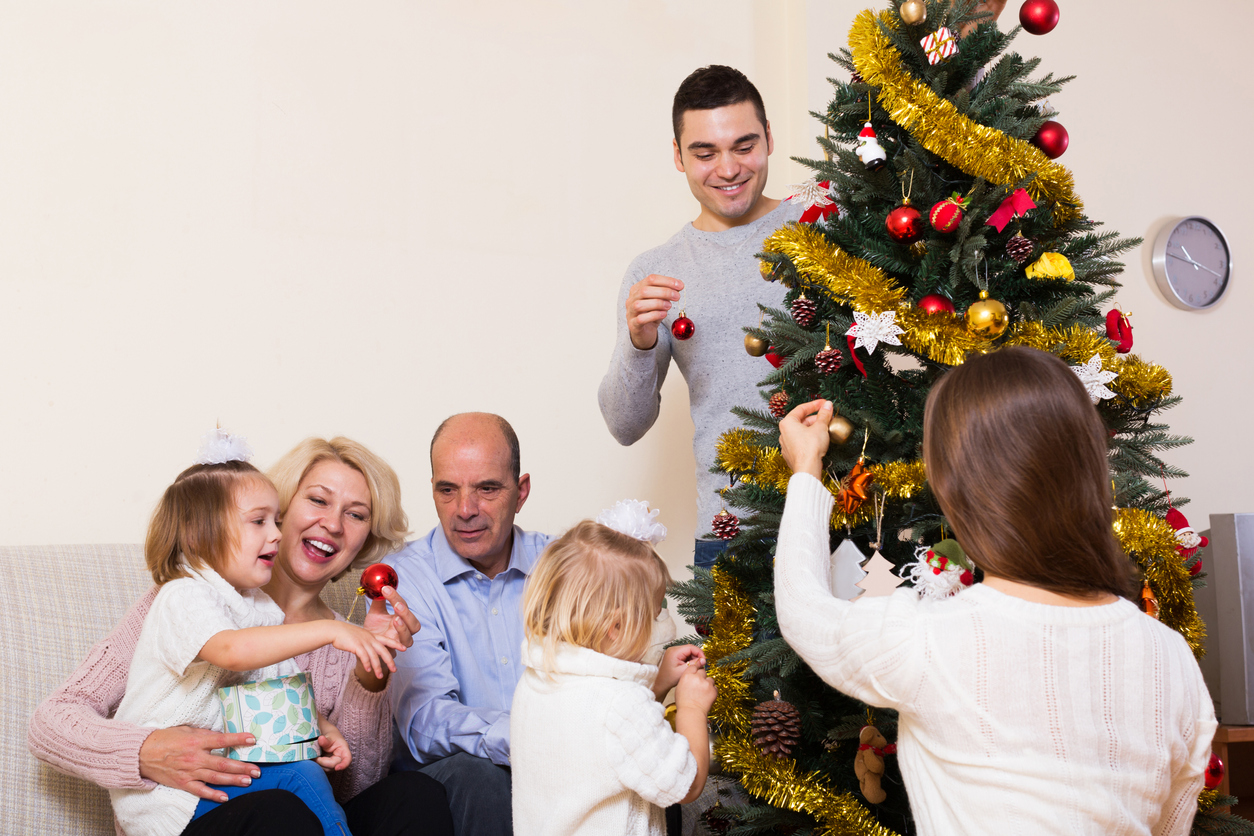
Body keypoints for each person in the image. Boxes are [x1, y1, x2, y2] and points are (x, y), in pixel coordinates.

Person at [772, 347, 1216, 835]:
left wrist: (806, 472)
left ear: (953, 487)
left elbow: (804, 611)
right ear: (1090, 468)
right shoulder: (1172, 657)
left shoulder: (928, 639)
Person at [30, 436, 454, 836]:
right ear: (281, 509)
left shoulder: (338, 638)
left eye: (356, 514)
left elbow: (351, 788)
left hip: (294, 809)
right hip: (193, 813)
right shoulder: (185, 599)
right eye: (318, 500)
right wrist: (146, 750)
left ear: (366, 539)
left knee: (416, 793)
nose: (333, 524)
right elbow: (52, 721)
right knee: (280, 810)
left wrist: (371, 670)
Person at [109, 436, 402, 836]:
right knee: (286, 798)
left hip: (232, 783)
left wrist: (323, 728)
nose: (276, 533)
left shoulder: (259, 608)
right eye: (260, 522)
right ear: (200, 536)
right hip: (169, 798)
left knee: (314, 775)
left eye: (355, 515)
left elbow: (277, 683)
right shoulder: (183, 595)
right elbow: (231, 650)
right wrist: (330, 631)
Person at [597, 64, 803, 569]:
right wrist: (638, 341)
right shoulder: (656, 271)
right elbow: (624, 425)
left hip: (847, 516)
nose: (728, 169)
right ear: (678, 156)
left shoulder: (821, 225)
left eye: (744, 146)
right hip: (730, 533)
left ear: (770, 137)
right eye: (705, 153)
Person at [387, 412, 551, 836]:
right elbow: (424, 719)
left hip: (558, 758)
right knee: (480, 776)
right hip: (454, 781)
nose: (465, 510)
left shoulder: (565, 566)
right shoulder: (402, 578)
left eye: (487, 488)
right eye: (448, 490)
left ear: (521, 492)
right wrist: (525, 739)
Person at [510, 518, 716, 836]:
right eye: (654, 615)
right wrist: (692, 708)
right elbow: (684, 784)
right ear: (616, 627)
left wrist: (659, 683)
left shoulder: (535, 681)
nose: (660, 624)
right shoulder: (621, 706)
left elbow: (610, 744)